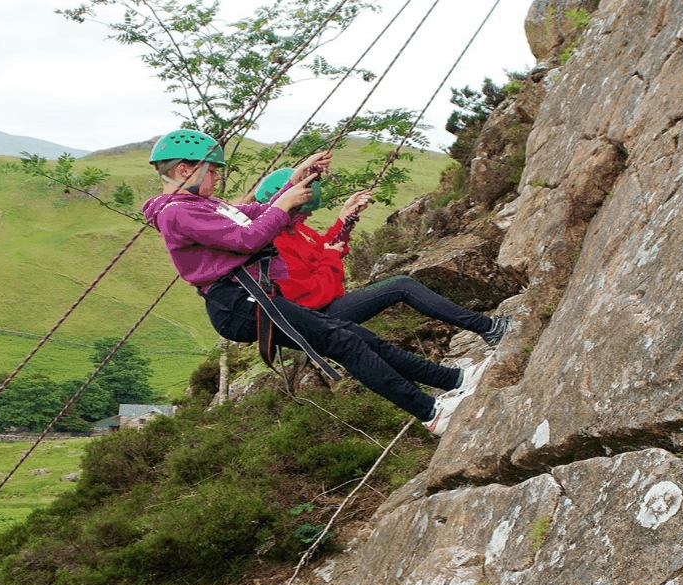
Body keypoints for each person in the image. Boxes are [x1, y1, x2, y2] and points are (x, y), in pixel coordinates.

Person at [141, 129, 476, 435]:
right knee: (342, 341)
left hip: (250, 297)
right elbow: (248, 239)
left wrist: (295, 180)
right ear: (184, 170)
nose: (216, 177)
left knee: (354, 336)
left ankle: (452, 379)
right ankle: (431, 412)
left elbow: (257, 213)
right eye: (212, 170)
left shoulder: (200, 203)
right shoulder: (178, 212)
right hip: (237, 302)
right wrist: (286, 202)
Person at [254, 168, 512, 344]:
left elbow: (324, 248)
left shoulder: (293, 228)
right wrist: (330, 259)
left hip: (323, 306)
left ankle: (486, 328)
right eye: (301, 212)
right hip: (314, 314)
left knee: (399, 287)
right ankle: (488, 328)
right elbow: (312, 296)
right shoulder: (272, 244)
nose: (306, 217)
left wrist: (345, 218)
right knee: (401, 286)